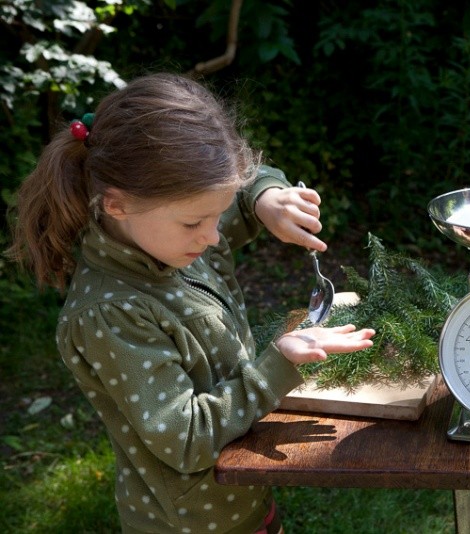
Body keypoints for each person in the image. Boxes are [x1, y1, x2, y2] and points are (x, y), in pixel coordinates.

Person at [6, 72, 375, 534]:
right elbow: (185, 438)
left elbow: (238, 186)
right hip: (193, 521)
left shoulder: (167, 236)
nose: (215, 235)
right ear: (116, 204)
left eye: (219, 214)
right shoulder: (111, 313)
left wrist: (267, 199)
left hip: (243, 497)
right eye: (196, 222)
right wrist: (277, 364)